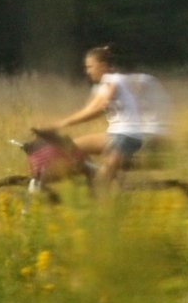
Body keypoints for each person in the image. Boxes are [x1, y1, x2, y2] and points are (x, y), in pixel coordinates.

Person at [40, 45, 143, 193]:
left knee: (99, 186)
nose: (87, 71)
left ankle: (102, 208)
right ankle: (92, 174)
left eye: (90, 67)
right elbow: (89, 110)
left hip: (126, 137)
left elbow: (99, 108)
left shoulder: (112, 80)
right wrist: (59, 124)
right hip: (116, 135)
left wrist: (62, 123)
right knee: (72, 147)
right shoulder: (104, 85)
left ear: (102, 66)